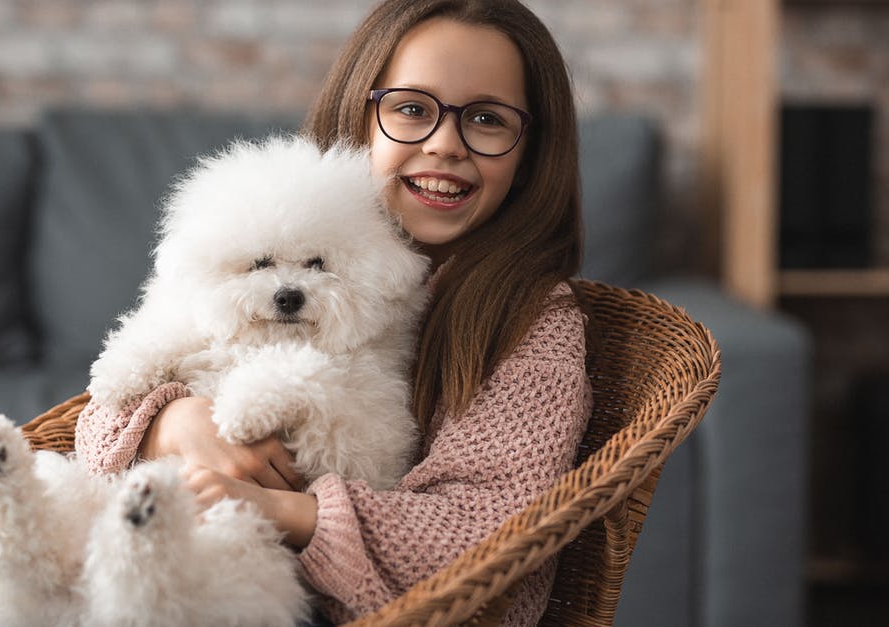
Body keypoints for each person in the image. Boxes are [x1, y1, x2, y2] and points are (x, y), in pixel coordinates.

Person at [74, 0, 592, 624]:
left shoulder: (532, 321)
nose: (445, 144)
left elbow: (484, 530)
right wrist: (171, 422)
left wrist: (273, 508)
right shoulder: (269, 223)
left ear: (530, 148)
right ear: (361, 117)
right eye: (411, 108)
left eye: (486, 119)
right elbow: (100, 418)